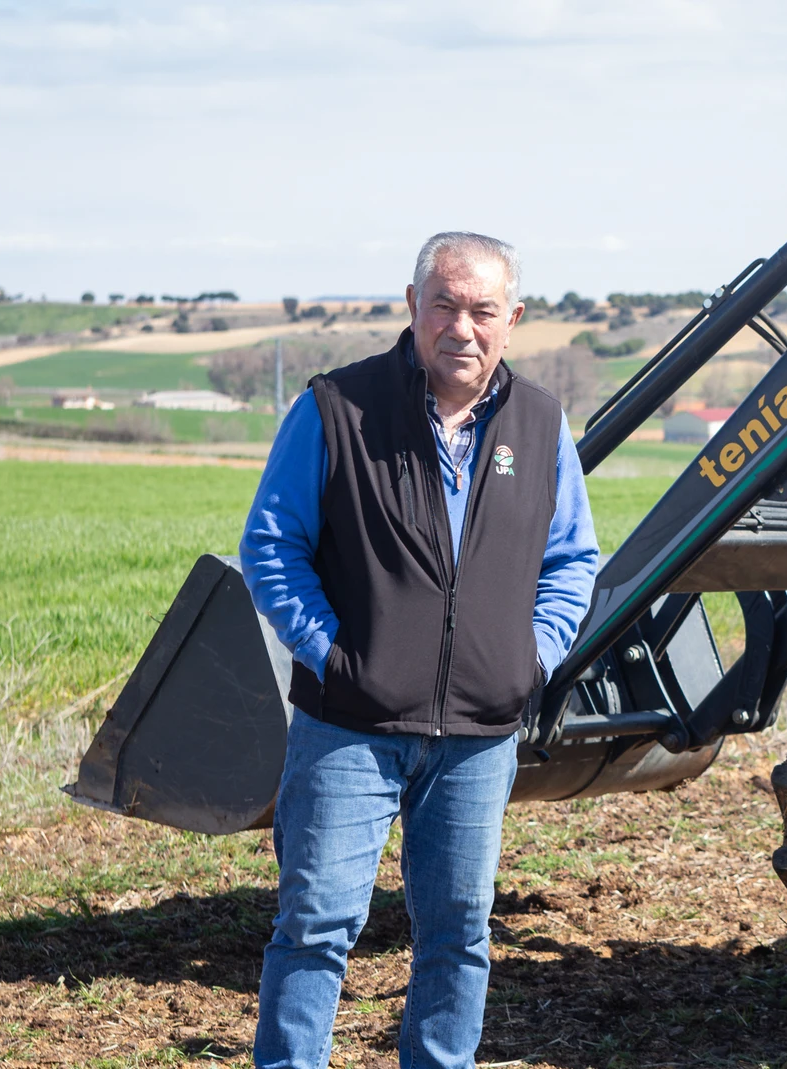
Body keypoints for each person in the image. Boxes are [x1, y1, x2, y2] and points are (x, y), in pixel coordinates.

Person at [239, 231, 599, 1069]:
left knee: (460, 932)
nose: (461, 328)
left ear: (511, 320)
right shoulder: (338, 406)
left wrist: (530, 659)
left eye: (481, 310)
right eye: (443, 304)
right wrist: (332, 654)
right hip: (349, 727)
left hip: (480, 734)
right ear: (412, 308)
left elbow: (573, 559)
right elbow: (271, 544)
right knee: (317, 926)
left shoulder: (542, 425)